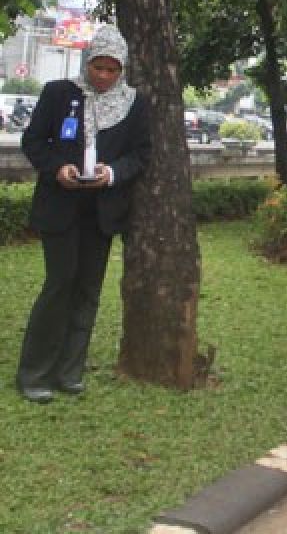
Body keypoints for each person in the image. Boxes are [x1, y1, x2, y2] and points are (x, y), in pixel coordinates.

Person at [15, 24, 151, 403]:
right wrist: (59, 169)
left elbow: (141, 154)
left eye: (112, 70)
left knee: (88, 290)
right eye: (98, 67)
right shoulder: (60, 93)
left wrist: (111, 174)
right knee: (60, 282)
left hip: (102, 211)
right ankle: (34, 374)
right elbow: (33, 141)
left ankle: (69, 371)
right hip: (60, 207)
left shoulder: (134, 103)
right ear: (87, 62)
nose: (104, 77)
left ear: (123, 69)